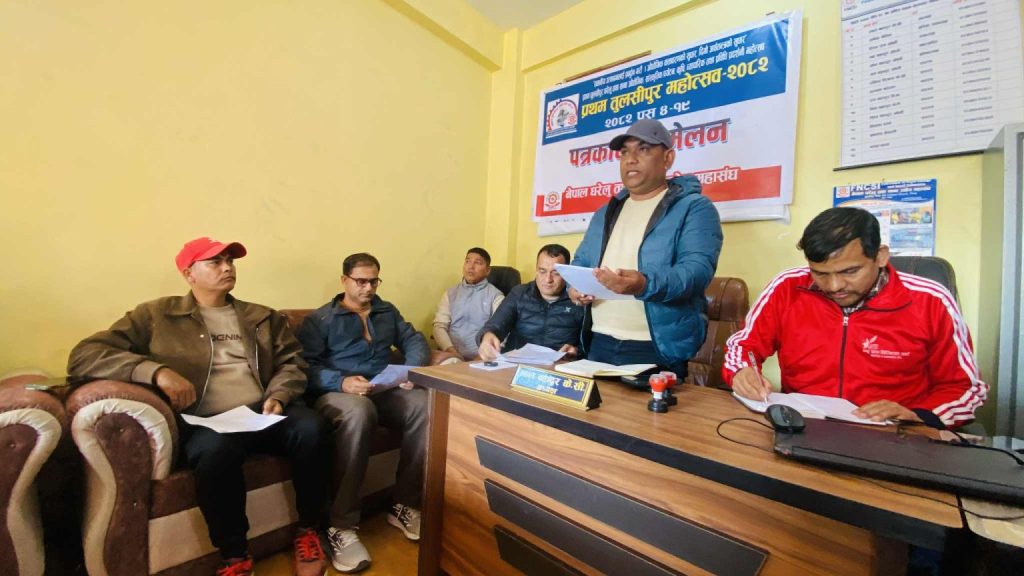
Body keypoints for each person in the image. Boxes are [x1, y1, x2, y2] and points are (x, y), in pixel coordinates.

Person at [67, 237, 328, 576]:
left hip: (262, 411)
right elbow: (85, 355)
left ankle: (309, 530)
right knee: (214, 452)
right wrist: (155, 371)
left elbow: (292, 363)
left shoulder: (261, 317)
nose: (227, 267)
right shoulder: (156, 315)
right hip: (207, 421)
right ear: (189, 273)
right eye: (215, 262)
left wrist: (279, 395)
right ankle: (235, 556)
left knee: (312, 427)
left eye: (230, 261)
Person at [724, 207, 987, 428]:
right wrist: (742, 371)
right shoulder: (788, 288)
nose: (834, 286)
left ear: (880, 256)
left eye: (850, 271)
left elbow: (965, 389)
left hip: (897, 435)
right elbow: (743, 346)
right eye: (820, 273)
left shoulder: (930, 300)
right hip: (805, 429)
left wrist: (918, 415)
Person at [295, 252, 430, 574]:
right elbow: (303, 367)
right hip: (339, 394)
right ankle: (340, 525)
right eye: (361, 281)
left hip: (383, 388)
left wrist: (410, 370)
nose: (368, 288)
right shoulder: (320, 320)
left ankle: (404, 504)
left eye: (374, 281)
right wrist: (340, 382)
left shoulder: (386, 310)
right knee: (359, 412)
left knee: (426, 405)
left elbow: (414, 340)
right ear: (344, 280)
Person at [570, 118, 723, 376]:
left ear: (668, 158)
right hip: (598, 342)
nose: (630, 159)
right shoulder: (605, 212)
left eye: (643, 149)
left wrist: (643, 284)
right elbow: (581, 262)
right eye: (624, 152)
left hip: (656, 347)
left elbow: (696, 272)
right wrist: (575, 288)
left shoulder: (694, 208)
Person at [478, 244, 584, 360]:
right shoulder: (519, 294)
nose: (548, 279)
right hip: (518, 364)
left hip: (559, 366)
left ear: (567, 273)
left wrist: (576, 351)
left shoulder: (579, 299)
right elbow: (495, 324)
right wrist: (488, 336)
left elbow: (590, 344)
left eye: (556, 273)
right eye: (542, 271)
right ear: (536, 270)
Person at [432, 247, 504, 360]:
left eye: (477, 262)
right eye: (467, 261)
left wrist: (479, 358)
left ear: (488, 270)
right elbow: (439, 327)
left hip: (482, 358)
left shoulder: (496, 296)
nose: (471, 266)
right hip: (451, 355)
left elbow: (501, 330)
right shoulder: (451, 293)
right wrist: (451, 352)